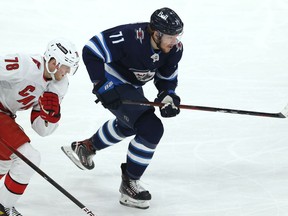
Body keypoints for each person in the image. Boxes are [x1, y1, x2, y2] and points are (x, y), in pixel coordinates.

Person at [62, 7, 184, 209]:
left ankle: (86, 147)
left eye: (177, 35)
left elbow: (166, 76)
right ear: (157, 33)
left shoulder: (174, 49)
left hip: (132, 85)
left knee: (130, 125)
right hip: (113, 81)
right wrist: (101, 84)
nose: (175, 41)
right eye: (171, 36)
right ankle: (130, 183)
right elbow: (92, 50)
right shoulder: (130, 37)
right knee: (150, 128)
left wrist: (168, 95)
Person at [0, 38, 79, 216]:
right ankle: (2, 209)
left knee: (4, 161)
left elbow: (41, 130)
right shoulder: (24, 65)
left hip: (5, 116)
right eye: (65, 66)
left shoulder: (59, 84)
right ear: (53, 62)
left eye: (70, 68)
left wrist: (51, 116)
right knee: (28, 158)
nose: (67, 72)